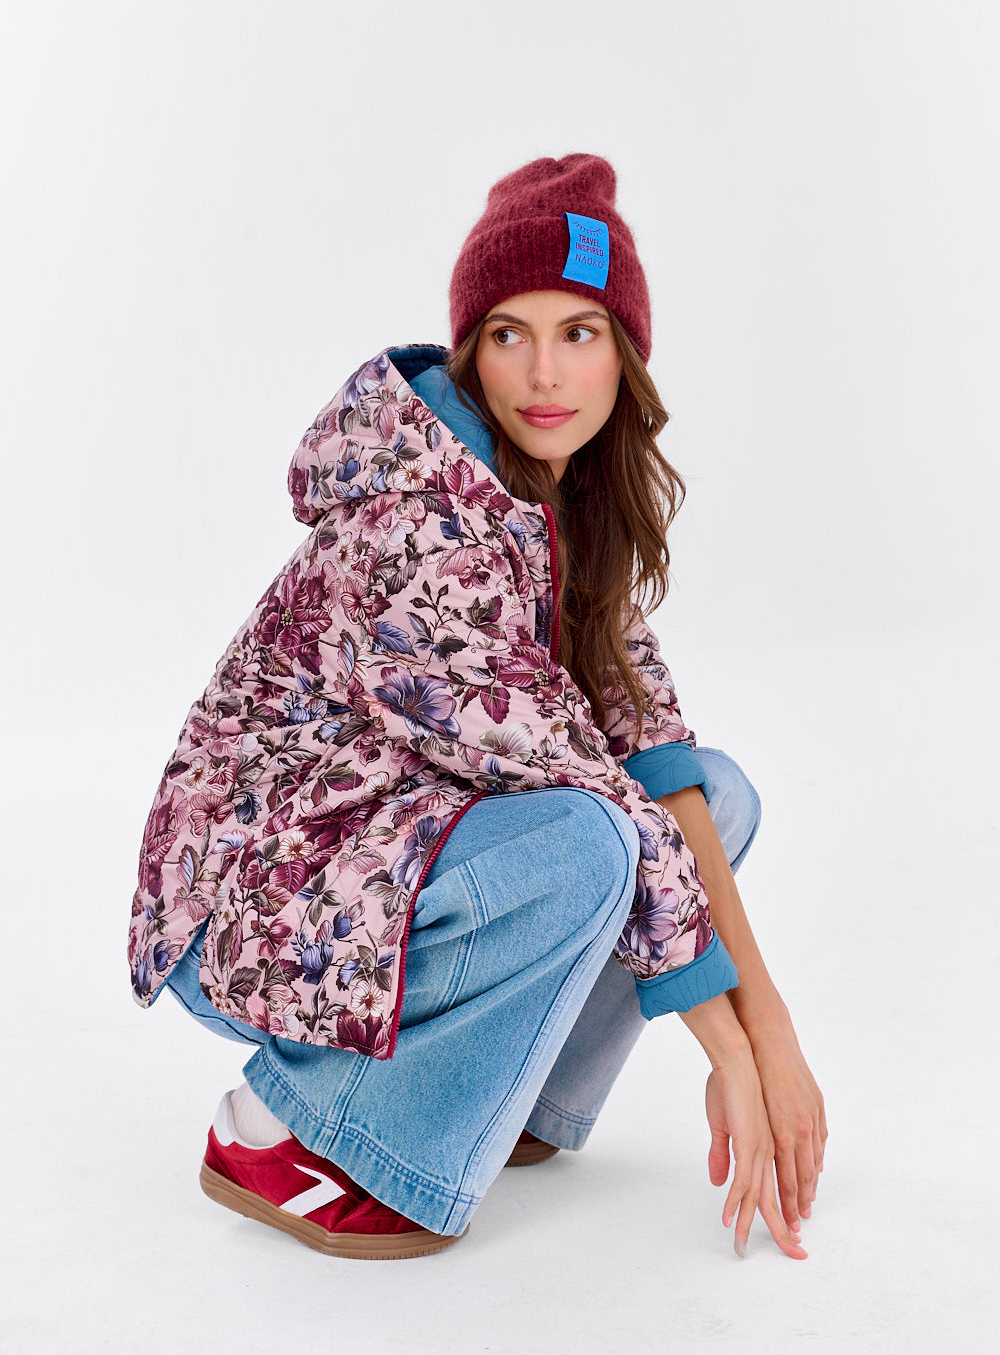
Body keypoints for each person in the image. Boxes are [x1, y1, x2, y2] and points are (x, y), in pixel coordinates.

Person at [128, 153, 827, 1262]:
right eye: (509, 333)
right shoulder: (418, 525)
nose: (545, 372)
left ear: (624, 353)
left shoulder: (556, 497)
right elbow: (603, 801)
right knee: (588, 841)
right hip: (253, 905)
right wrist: (734, 1053)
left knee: (715, 796)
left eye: (579, 332)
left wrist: (772, 1029)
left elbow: (652, 749)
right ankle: (277, 1126)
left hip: (382, 860)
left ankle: (506, 1094)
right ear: (470, 348)